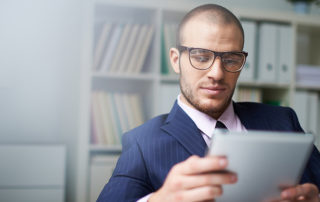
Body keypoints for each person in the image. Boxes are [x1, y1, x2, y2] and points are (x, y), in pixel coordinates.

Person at [97, 4, 320, 202]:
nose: (217, 73)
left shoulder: (283, 121)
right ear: (176, 61)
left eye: (231, 59)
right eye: (201, 57)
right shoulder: (142, 143)